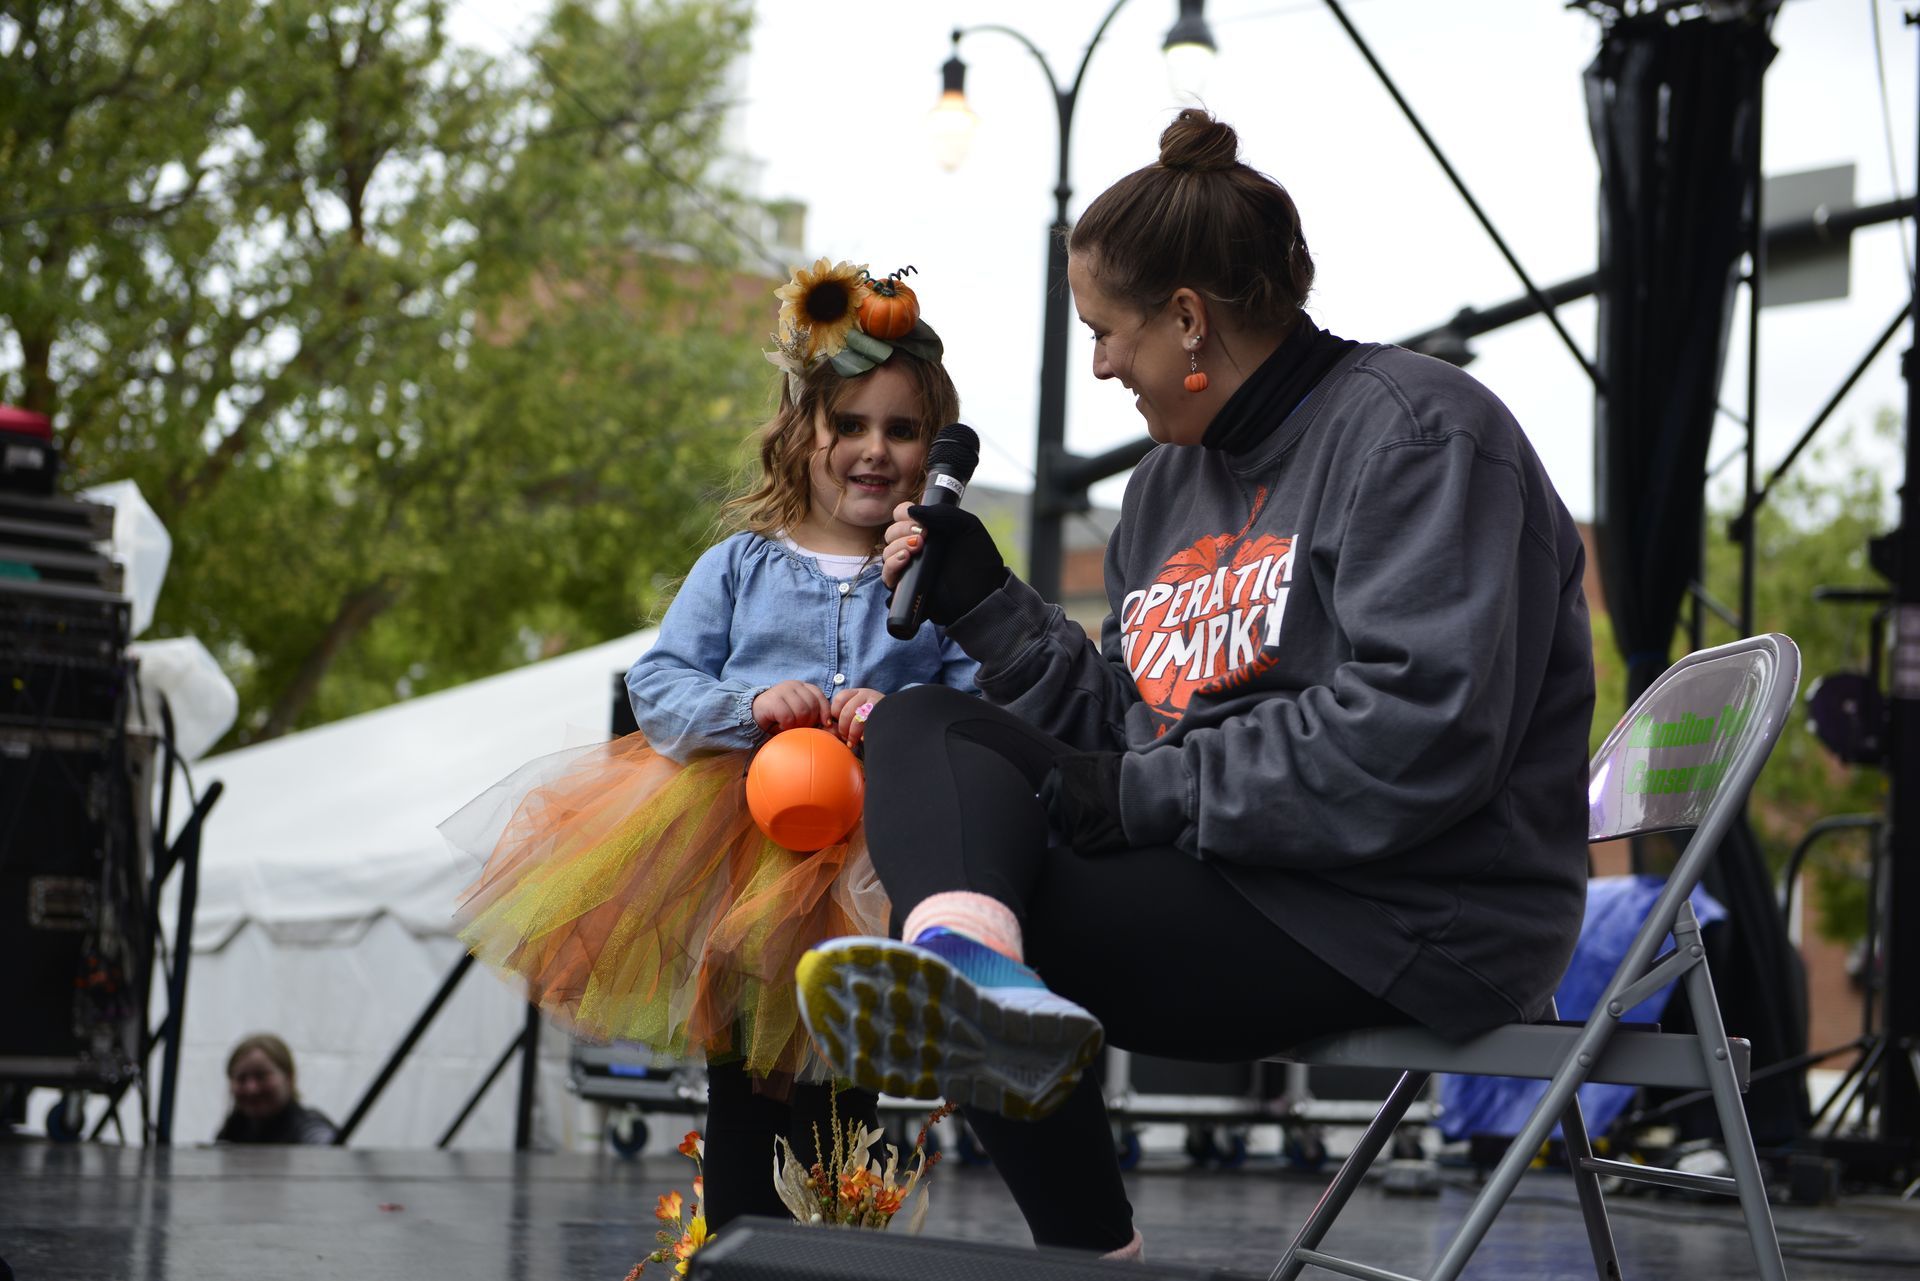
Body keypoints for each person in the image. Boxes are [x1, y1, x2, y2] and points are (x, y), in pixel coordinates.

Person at [796, 110, 1595, 1258]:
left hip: (1407, 911)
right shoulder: (1170, 486)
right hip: (1233, 864)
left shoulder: (1422, 437)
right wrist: (991, 608)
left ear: (1186, 319)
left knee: (1007, 917)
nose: (1101, 364)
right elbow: (1129, 732)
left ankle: (1083, 1239)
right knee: (928, 730)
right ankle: (972, 977)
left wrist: (1144, 799)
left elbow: (1419, 734)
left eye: (1107, 331)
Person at [447, 259, 977, 1231]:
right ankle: (738, 1245)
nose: (874, 450)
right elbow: (660, 685)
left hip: (878, 858)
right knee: (751, 1081)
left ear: (931, 450)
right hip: (745, 856)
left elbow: (979, 697)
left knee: (847, 1083)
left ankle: (835, 1246)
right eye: (849, 425)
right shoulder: (741, 564)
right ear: (800, 432)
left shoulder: (943, 576)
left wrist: (900, 718)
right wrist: (748, 707)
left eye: (902, 431)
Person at [215, 1033, 339, 1144]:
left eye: (261, 1076)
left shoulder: (308, 1127)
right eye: (241, 1079)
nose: (251, 1088)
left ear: (289, 1078)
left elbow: (325, 1146)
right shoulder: (232, 1130)